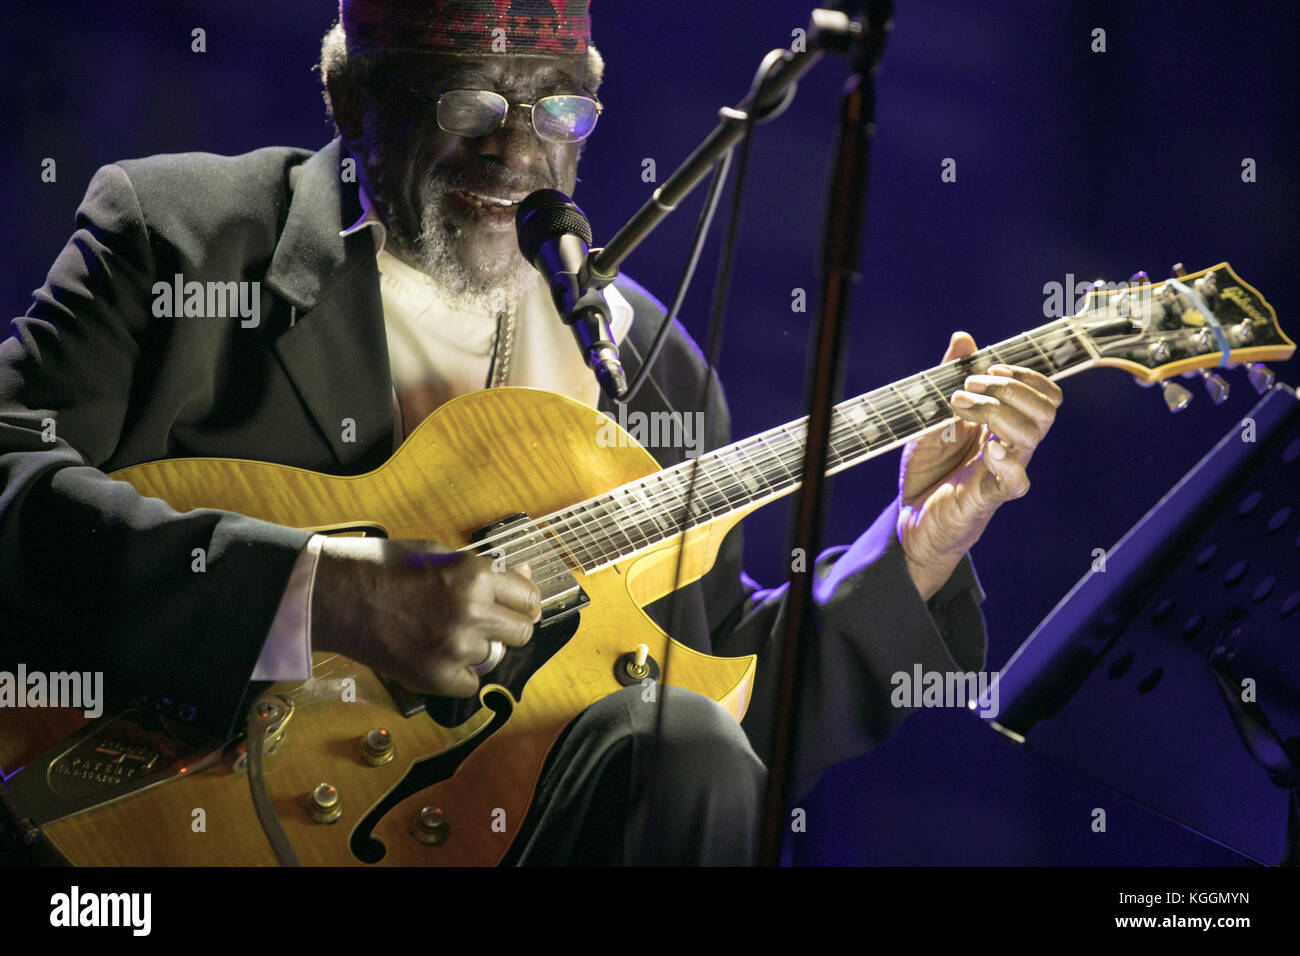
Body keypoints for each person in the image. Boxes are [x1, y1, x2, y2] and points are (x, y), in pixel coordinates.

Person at [0, 0, 1061, 865]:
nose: (517, 154)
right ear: (350, 97)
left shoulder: (646, 364)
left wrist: (913, 547)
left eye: (559, 110)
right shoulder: (180, 233)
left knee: (684, 744)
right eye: (468, 102)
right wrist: (328, 593)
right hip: (123, 821)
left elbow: (715, 717)